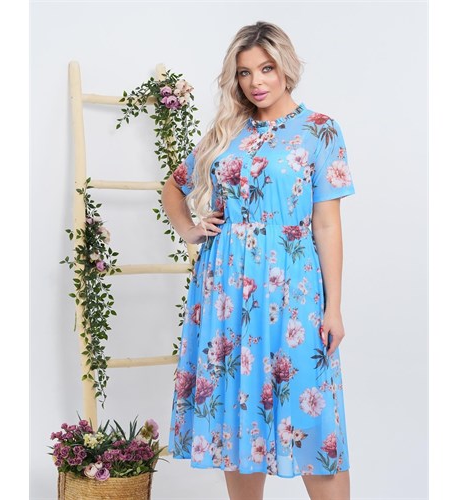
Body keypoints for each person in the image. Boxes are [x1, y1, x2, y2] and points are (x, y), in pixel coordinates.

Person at [162, 21, 355, 500]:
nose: (256, 82)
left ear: (286, 67)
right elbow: (173, 187)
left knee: (313, 420)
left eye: (266, 69)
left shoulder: (319, 130)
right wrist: (190, 228)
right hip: (225, 292)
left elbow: (326, 225)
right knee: (237, 414)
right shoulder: (228, 131)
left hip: (292, 291)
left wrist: (333, 308)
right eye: (245, 72)